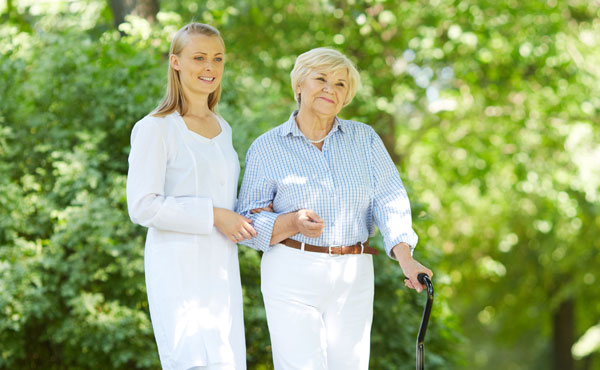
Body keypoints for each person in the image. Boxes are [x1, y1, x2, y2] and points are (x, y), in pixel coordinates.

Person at [236, 47, 433, 370]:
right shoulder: (267, 147)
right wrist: (293, 221)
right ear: (299, 85)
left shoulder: (364, 139)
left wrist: (406, 258)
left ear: (347, 97)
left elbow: (389, 198)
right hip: (291, 270)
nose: (331, 88)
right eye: (321, 79)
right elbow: (248, 220)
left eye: (341, 84)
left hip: (353, 273)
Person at [126, 23, 255, 370]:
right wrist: (213, 215)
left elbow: (224, 200)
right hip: (177, 272)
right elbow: (142, 206)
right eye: (199, 57)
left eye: (217, 58)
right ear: (176, 62)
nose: (210, 67)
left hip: (222, 270)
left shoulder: (222, 128)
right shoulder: (156, 128)